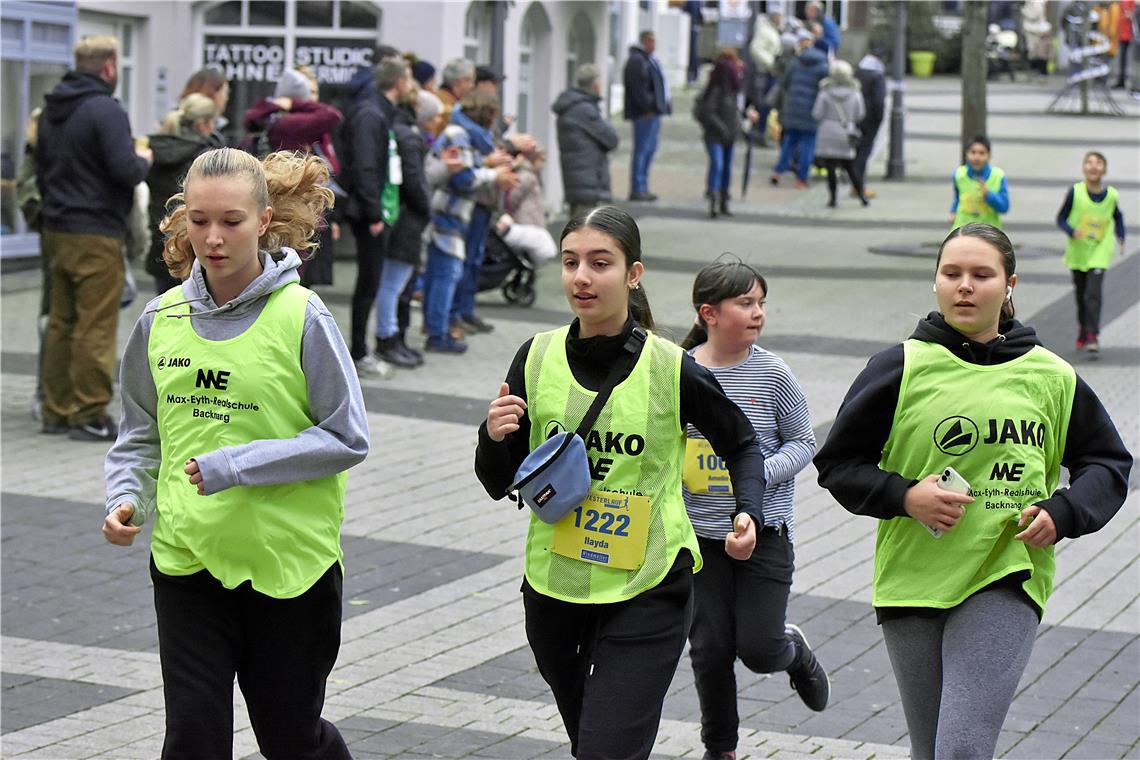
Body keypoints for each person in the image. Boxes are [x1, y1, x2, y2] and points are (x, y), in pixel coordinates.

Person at [813, 223, 1131, 760]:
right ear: (935, 281)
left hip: (1005, 572)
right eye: (951, 273)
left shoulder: (1052, 375)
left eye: (981, 275)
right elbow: (838, 464)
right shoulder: (900, 367)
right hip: (912, 575)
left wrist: (1065, 510)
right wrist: (906, 497)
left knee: (962, 746)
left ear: (1009, 284)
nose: (964, 285)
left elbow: (1107, 462)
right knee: (930, 750)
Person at [101, 147, 369, 759]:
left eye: (231, 221)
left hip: (287, 567)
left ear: (265, 220)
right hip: (186, 561)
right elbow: (140, 433)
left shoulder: (302, 315)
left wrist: (235, 465)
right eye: (198, 221)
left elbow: (348, 436)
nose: (213, 238)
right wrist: (126, 498)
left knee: (291, 739)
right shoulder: (160, 319)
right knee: (193, 736)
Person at [475, 205, 768, 760]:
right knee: (590, 740)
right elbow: (498, 481)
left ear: (633, 274)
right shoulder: (534, 357)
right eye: (570, 262)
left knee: (605, 750)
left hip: (649, 584)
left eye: (600, 263)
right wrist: (494, 436)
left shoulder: (672, 367)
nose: (582, 277)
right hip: (554, 587)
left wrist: (745, 509)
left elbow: (742, 442)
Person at [679, 258, 828, 760]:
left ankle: (794, 653)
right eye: (746, 303)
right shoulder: (682, 372)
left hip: (765, 533)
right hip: (701, 538)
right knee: (711, 649)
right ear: (709, 313)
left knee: (759, 649)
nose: (758, 313)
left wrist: (755, 473)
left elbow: (803, 443)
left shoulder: (771, 373)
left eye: (761, 303)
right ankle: (720, 749)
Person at [37, 35, 152, 442]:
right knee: (94, 325)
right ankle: (88, 412)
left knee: (62, 323)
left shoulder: (53, 108)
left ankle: (56, 409)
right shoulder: (105, 109)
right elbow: (125, 169)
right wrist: (144, 161)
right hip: (96, 229)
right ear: (108, 67)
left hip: (56, 229)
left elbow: (42, 166)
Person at [424, 90, 516, 353]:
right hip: (448, 212)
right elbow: (462, 179)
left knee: (439, 272)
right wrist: (493, 175)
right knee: (447, 273)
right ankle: (438, 334)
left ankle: (435, 327)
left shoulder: (461, 133)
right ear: (486, 115)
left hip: (447, 211)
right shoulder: (460, 135)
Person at [341, 56, 412, 377]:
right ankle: (358, 352)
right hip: (370, 211)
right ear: (399, 82)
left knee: (370, 281)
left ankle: (360, 350)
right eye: (408, 78)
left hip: (378, 208)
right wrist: (373, 213)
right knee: (368, 282)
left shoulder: (378, 110)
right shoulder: (370, 114)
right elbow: (365, 167)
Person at [373, 84, 434, 369]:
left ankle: (392, 337)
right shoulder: (408, 135)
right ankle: (388, 337)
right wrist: (426, 207)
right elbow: (414, 180)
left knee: (394, 283)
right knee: (394, 284)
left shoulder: (396, 129)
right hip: (407, 218)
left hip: (399, 215)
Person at [145, 94, 222, 294]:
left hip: (161, 243)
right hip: (195, 248)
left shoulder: (158, 150)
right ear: (203, 124)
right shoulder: (205, 157)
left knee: (164, 311)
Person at [1056, 150, 1127, 353]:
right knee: (1080, 295)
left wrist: (1121, 236)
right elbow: (1060, 218)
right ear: (1083, 168)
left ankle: (1092, 335)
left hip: (1100, 252)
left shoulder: (1111, 195)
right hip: (1078, 253)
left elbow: (1117, 217)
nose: (1093, 166)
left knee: (1092, 295)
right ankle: (1083, 328)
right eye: (1089, 162)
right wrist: (1071, 231)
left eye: (1098, 163)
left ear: (1104, 169)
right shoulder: (1075, 192)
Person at [553, 63, 620, 219]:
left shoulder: (571, 107)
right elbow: (611, 139)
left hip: (577, 181)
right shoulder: (585, 110)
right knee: (585, 232)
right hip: (587, 182)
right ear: (595, 84)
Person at [694, 50, 749, 218]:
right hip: (716, 135)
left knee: (726, 168)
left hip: (729, 135)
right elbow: (709, 112)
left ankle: (723, 199)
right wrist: (723, 129)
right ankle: (714, 198)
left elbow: (736, 113)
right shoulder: (717, 90)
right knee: (718, 165)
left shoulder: (733, 91)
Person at [769, 31, 828, 189]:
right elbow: (825, 89)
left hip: (793, 109)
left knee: (789, 143)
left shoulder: (795, 63)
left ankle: (777, 172)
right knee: (807, 146)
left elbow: (785, 83)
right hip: (811, 112)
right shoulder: (823, 67)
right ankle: (801, 179)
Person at [811, 60, 869, 208]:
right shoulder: (855, 93)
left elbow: (817, 114)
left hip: (827, 133)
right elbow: (860, 114)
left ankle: (833, 199)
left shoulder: (824, 93)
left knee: (830, 168)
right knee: (850, 167)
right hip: (846, 132)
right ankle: (862, 195)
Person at [623, 30, 672, 202]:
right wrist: (647, 106)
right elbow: (638, 88)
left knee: (649, 150)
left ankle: (643, 185)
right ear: (644, 41)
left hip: (654, 112)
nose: (654, 45)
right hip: (645, 114)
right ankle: (637, 187)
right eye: (650, 41)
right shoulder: (637, 60)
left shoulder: (649, 60)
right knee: (642, 150)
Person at [949, 135, 1010, 230]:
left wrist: (988, 195)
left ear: (989, 155)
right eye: (973, 152)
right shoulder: (958, 174)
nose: (976, 157)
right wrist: (953, 211)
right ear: (966, 154)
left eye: (982, 153)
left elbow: (1004, 207)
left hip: (988, 233)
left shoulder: (998, 176)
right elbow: (958, 197)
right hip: (962, 230)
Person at [747, 10, 784, 147]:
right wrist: (771, 63)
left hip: (769, 72)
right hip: (765, 72)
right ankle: (759, 132)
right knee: (764, 102)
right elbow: (756, 49)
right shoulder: (764, 31)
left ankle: (759, 131)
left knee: (766, 103)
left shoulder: (771, 30)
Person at [180, 68, 231, 144]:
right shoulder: (208, 140)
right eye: (225, 93)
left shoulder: (172, 123)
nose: (226, 98)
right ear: (213, 94)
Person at [437, 57, 476, 125]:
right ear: (457, 81)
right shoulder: (445, 106)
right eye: (469, 80)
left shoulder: (454, 102)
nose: (472, 85)